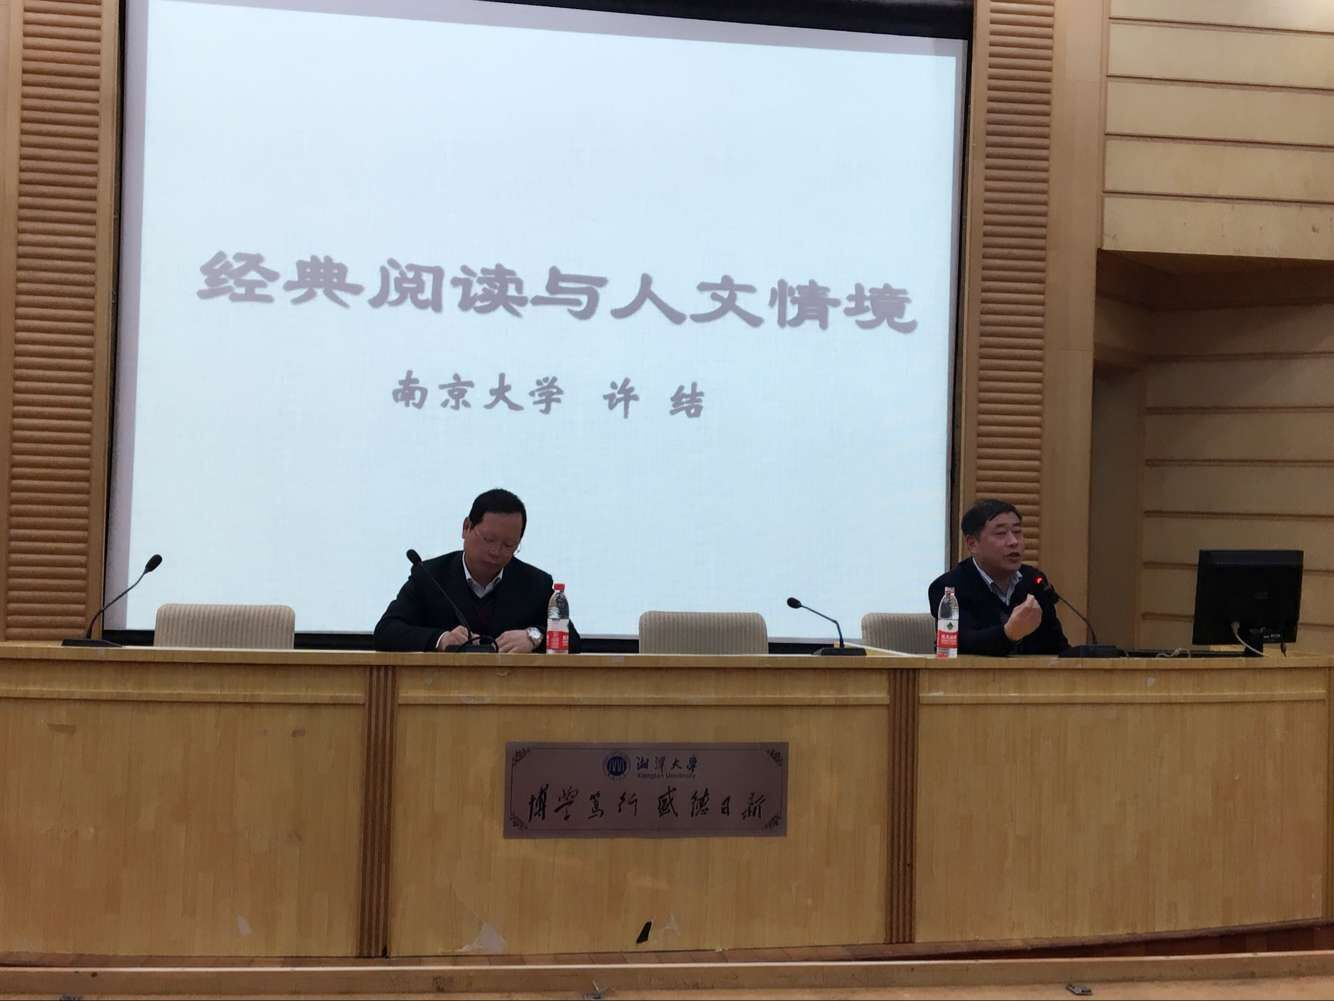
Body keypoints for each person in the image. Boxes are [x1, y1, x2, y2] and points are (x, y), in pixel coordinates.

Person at [374, 488, 577, 653]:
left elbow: (574, 640)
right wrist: (441, 639)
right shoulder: (430, 576)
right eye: (488, 540)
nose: (496, 552)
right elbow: (386, 631)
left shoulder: (534, 582)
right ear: (466, 527)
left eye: (509, 545)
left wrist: (534, 636)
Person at [927, 499, 1068, 656]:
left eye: (1017, 532)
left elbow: (1057, 647)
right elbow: (958, 645)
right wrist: (1009, 633)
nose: (1014, 542)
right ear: (972, 544)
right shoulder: (948, 588)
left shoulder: (1033, 580)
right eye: (1001, 534)